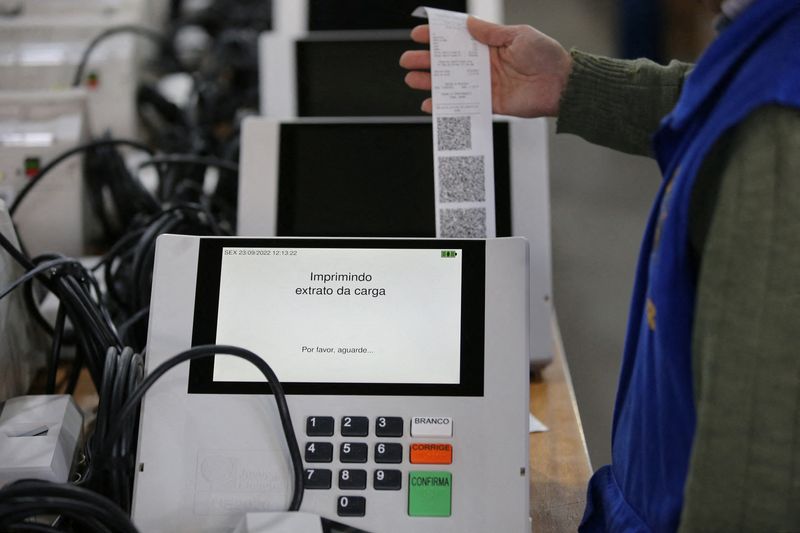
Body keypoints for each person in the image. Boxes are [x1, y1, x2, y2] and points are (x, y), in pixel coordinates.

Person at [401, 0, 800, 531]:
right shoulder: (768, 42)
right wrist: (572, 81)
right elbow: (717, 96)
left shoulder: (778, 126)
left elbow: (755, 458)